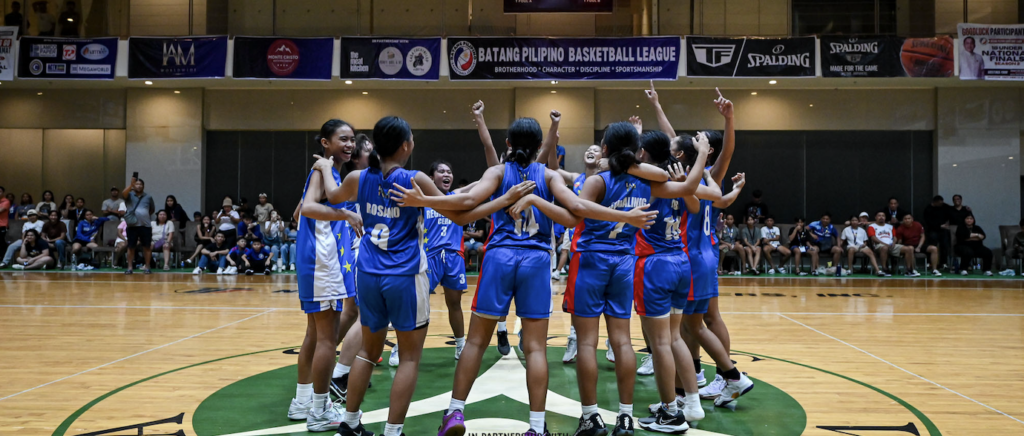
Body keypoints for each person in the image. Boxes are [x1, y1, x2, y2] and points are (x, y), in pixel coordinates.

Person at [392, 117, 665, 436]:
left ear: (507, 144)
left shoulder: (498, 172)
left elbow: (466, 203)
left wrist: (425, 200)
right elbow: (573, 214)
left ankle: (455, 412)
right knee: (536, 348)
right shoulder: (549, 175)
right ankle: (537, 426)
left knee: (477, 341)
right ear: (540, 148)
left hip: (500, 257)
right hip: (538, 260)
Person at [317, 116, 517, 436]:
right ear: (406, 145)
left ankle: (351, 423)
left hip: (368, 273)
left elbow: (333, 196)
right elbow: (460, 213)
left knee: (369, 351)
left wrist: (326, 169)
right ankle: (393, 431)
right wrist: (502, 201)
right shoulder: (414, 179)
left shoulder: (357, 177)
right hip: (405, 276)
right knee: (409, 358)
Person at [286, 119, 363, 433]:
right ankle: (319, 411)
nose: (349, 144)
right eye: (342, 139)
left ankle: (302, 400)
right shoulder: (325, 170)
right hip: (324, 262)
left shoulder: (325, 171)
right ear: (325, 142)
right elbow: (305, 209)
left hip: (315, 261)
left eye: (351, 140)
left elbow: (298, 212)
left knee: (315, 335)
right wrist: (344, 213)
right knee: (327, 339)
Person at [423, 160, 470, 361]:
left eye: (449, 171)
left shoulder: (456, 197)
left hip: (453, 257)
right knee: (417, 304)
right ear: (431, 177)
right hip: (429, 257)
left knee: (455, 303)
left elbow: (476, 185)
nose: (446, 174)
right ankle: (402, 346)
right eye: (441, 171)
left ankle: (460, 345)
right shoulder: (423, 200)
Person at [122, 177, 156, 275]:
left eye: (140, 184)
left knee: (146, 247)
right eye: (137, 184)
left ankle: (147, 267)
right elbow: (123, 194)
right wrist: (131, 185)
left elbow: (152, 210)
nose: (139, 186)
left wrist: (143, 216)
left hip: (145, 225)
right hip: (132, 226)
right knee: (131, 247)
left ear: (143, 186)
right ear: (134, 186)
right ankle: (129, 268)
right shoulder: (129, 195)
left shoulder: (148, 197)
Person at [922, 195, 951, 269]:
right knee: (932, 246)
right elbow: (928, 222)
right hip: (932, 229)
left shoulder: (945, 206)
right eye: (939, 203)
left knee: (944, 245)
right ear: (935, 202)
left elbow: (953, 210)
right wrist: (939, 226)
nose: (941, 204)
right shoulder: (928, 209)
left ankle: (943, 263)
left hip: (943, 230)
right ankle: (930, 262)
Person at [0, 186, 9, 258]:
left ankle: (4, 259)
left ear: (3, 193)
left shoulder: (6, 201)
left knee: (1, 242)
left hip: (2, 225)